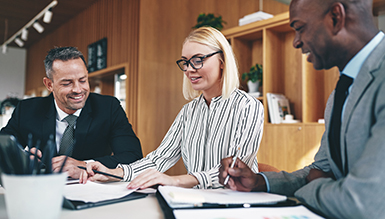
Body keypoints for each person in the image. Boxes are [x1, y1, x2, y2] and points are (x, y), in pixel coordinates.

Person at [219, 0, 385, 218]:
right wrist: (259, 182)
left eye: (299, 28)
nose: (296, 42)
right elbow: (320, 170)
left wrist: (311, 188)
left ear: (336, 17)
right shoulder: (340, 93)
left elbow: (363, 202)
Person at [79, 26, 264, 189]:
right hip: (196, 203)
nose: (189, 69)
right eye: (185, 62)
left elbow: (233, 169)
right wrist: (114, 172)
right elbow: (159, 158)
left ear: (222, 61)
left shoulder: (249, 106)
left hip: (237, 203)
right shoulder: (188, 112)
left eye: (198, 60)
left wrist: (177, 181)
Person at [0, 47, 143, 179]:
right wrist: (21, 159)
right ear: (49, 84)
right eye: (67, 83)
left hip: (91, 192)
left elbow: (133, 156)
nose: (78, 89)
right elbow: (3, 147)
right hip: (39, 190)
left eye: (82, 80)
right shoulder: (27, 110)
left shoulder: (109, 107)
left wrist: (83, 165)